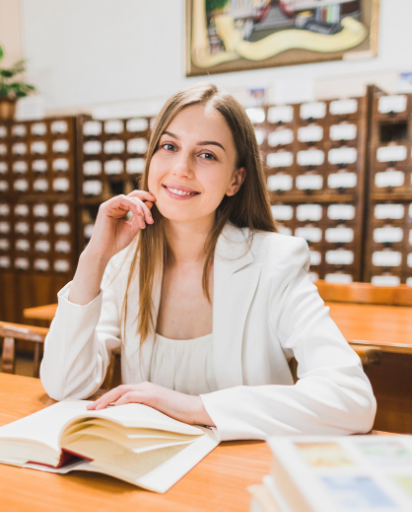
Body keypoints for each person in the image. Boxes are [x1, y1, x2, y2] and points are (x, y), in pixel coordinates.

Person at [39, 84, 376, 441]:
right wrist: (95, 257)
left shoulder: (275, 262)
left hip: (237, 476)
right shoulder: (126, 263)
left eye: (207, 155)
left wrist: (193, 407)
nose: (181, 169)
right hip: (150, 470)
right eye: (169, 147)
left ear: (236, 179)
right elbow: (65, 384)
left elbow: (352, 400)